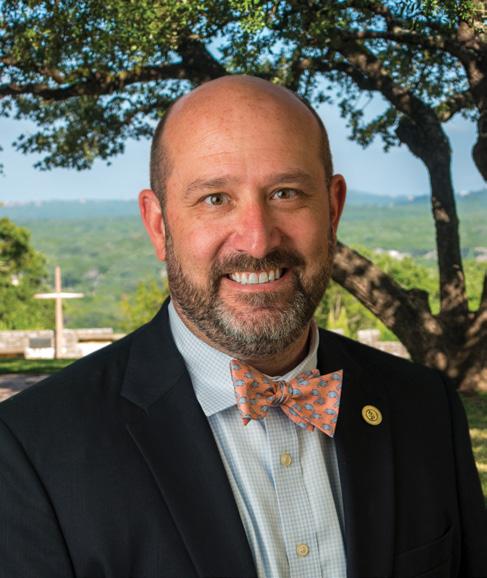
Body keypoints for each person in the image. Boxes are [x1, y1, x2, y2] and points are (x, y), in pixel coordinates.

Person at [0, 75, 485, 578]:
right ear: (159, 225)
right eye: (215, 198)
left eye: (286, 193)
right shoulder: (32, 449)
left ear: (333, 209)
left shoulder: (425, 408)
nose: (257, 240)